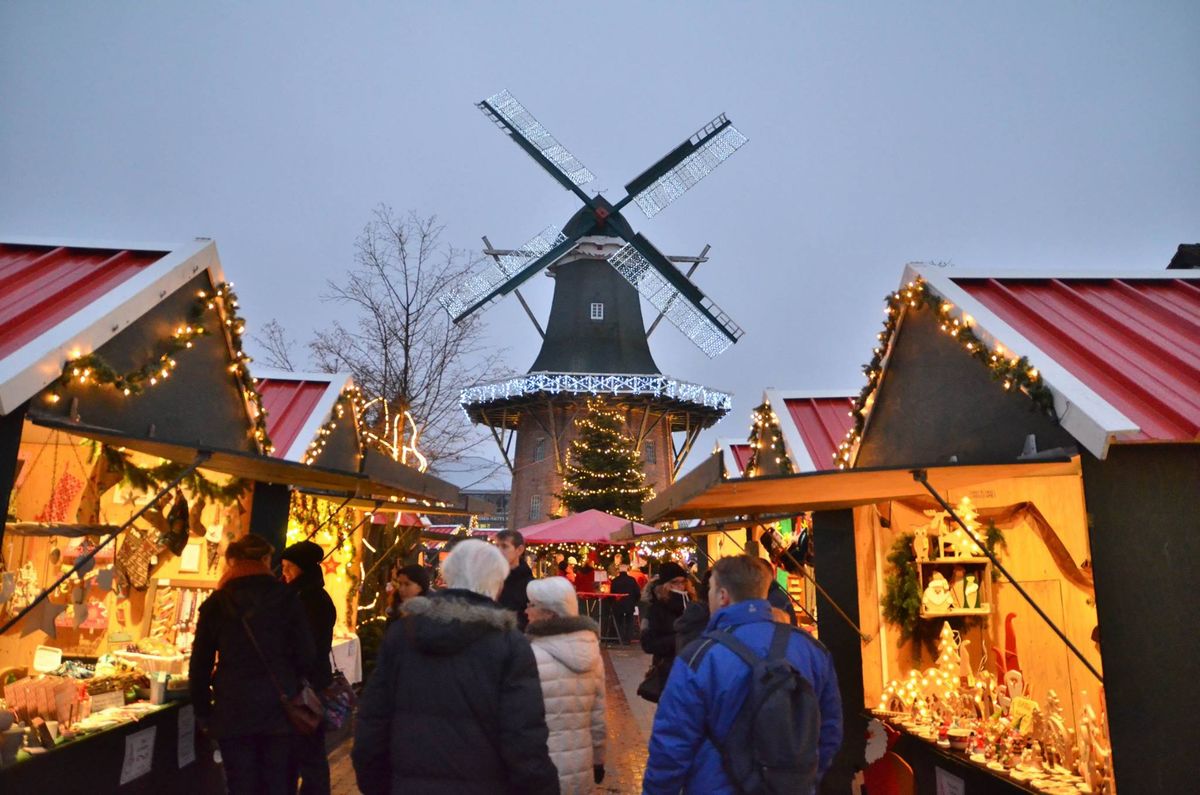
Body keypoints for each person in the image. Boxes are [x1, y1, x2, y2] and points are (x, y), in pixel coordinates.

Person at [352, 540, 558, 794]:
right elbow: (524, 737)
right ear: (499, 584)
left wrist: (378, 785)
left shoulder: (403, 633)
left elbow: (373, 719)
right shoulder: (510, 643)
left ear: (448, 576)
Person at [643, 555, 843, 794]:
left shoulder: (699, 658)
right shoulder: (811, 650)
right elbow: (829, 729)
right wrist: (803, 780)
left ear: (722, 596)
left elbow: (671, 746)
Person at [190, 535, 317, 795]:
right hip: (279, 710)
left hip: (233, 710)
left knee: (241, 785)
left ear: (233, 561)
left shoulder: (218, 602)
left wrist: (203, 712)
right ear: (265, 560)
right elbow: (307, 655)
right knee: (278, 785)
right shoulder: (287, 598)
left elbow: (200, 663)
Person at [525, 577, 606, 793]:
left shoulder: (530, 656)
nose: (526, 611)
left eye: (531, 604)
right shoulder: (592, 652)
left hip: (541, 766)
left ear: (549, 613)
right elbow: (598, 716)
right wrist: (598, 759)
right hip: (582, 765)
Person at [279, 541, 338, 795]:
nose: (284, 573)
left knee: (307, 750)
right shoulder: (311, 596)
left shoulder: (306, 600)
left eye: (288, 568)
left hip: (306, 687)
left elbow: (307, 647)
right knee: (306, 750)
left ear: (300, 569)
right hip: (311, 683)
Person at [638, 561, 693, 698]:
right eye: (676, 582)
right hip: (667, 673)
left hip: (692, 670)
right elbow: (648, 644)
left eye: (683, 582)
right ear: (666, 585)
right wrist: (678, 640)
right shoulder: (656, 609)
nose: (681, 586)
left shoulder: (692, 605)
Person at [495, 529, 535, 629]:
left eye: (504, 546)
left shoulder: (530, 586)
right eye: (497, 546)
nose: (499, 551)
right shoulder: (490, 580)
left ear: (519, 550)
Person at [608, 564, 641, 644]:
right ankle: (627, 639)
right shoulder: (632, 580)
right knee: (629, 622)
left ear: (619, 570)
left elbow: (612, 594)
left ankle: (619, 638)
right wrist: (635, 601)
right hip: (629, 604)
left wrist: (613, 602)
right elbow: (637, 592)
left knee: (619, 622)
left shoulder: (615, 581)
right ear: (627, 570)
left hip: (618, 605)